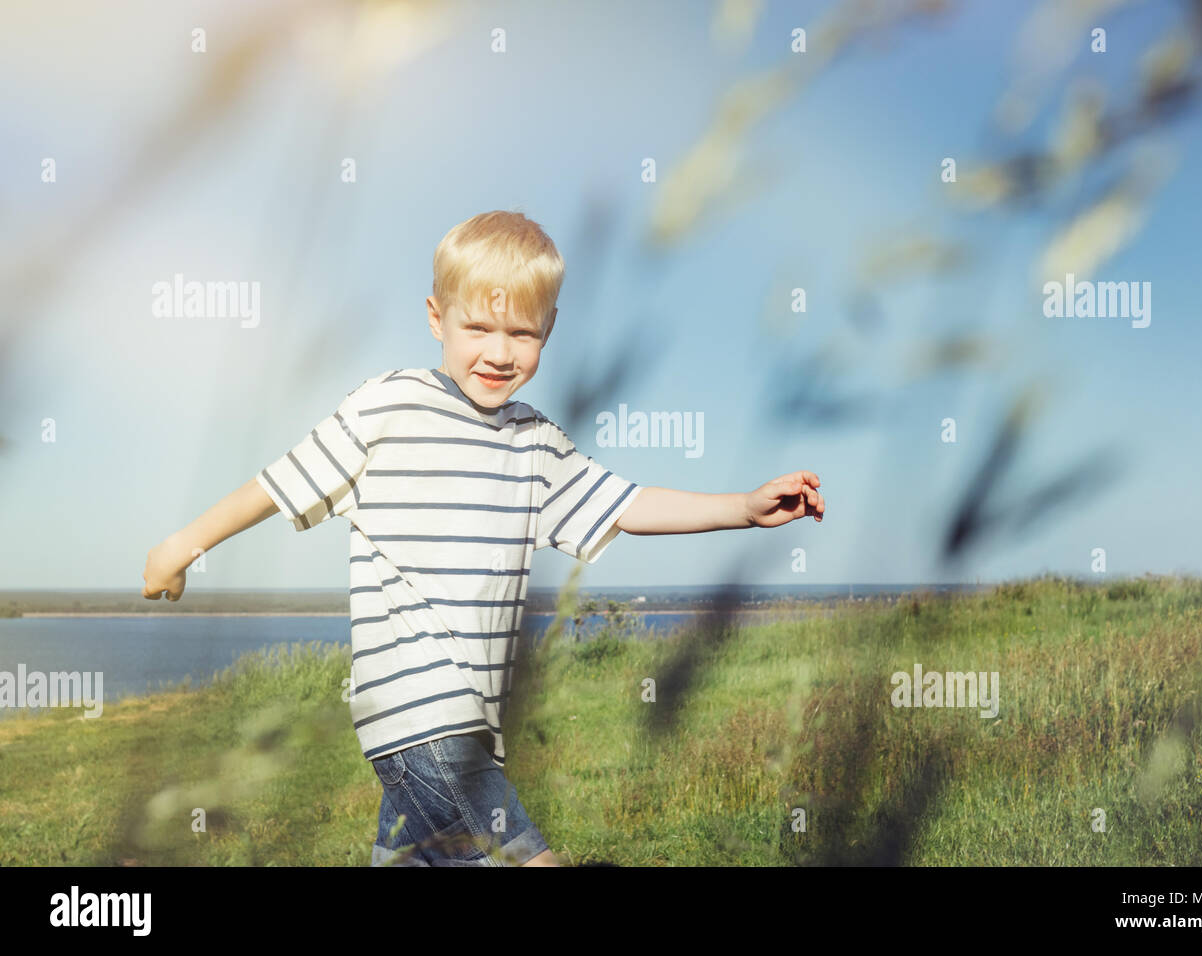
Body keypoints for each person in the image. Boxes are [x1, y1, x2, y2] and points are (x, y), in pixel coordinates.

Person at [140, 210, 826, 866]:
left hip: (470, 728)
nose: (499, 353)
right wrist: (183, 544)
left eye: (522, 334)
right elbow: (279, 482)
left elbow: (627, 503)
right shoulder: (390, 407)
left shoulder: (535, 443)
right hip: (424, 723)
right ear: (437, 317)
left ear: (549, 331)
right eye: (478, 327)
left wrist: (742, 505)